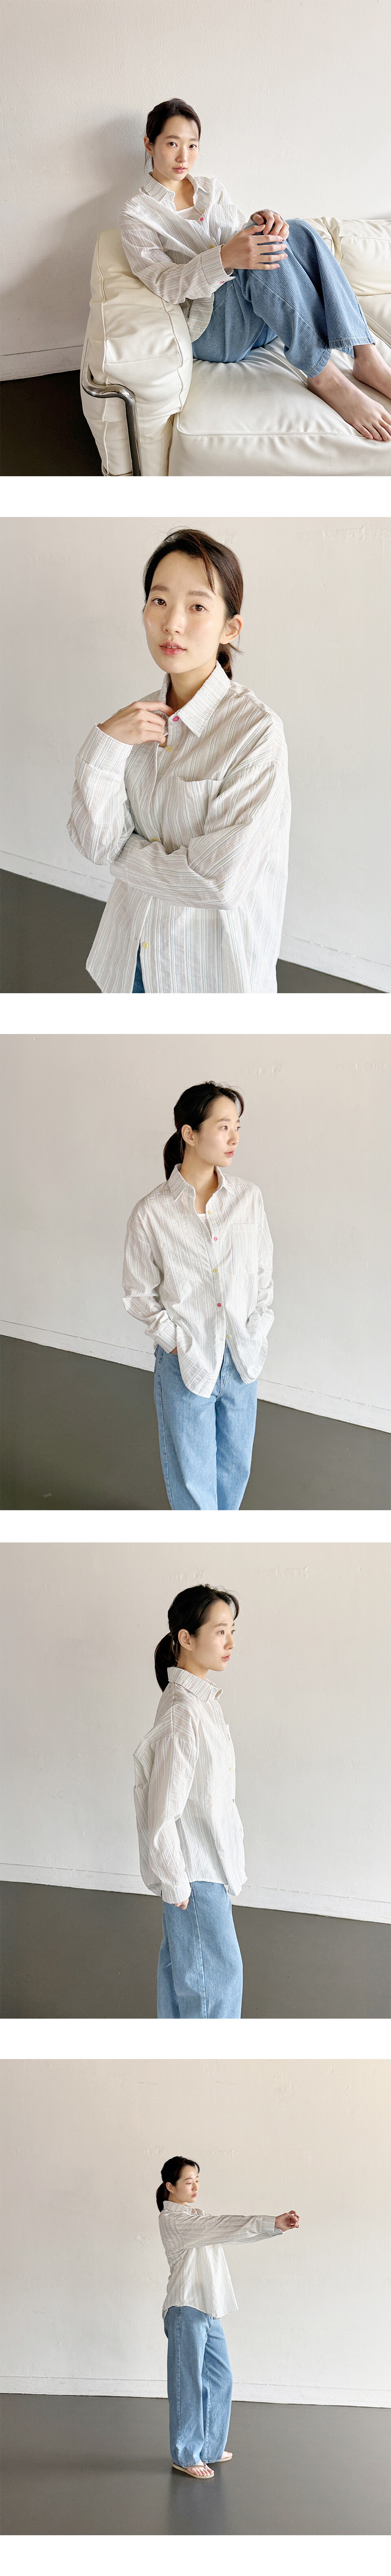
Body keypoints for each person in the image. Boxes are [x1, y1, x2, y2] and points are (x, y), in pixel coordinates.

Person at [67, 527, 290, 996]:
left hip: (209, 977)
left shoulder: (255, 734)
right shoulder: (133, 725)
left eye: (198, 606)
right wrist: (105, 742)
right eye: (160, 600)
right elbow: (94, 842)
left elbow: (216, 882)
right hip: (126, 960)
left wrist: (124, 853)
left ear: (231, 628)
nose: (172, 623)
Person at [119, 97, 391, 447]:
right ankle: (325, 377)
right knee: (251, 253)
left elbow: (240, 233)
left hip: (260, 321)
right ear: (149, 145)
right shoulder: (137, 214)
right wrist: (224, 258)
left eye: (193, 145)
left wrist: (267, 221)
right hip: (213, 333)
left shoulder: (211, 189)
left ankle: (367, 357)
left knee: (297, 229)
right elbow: (164, 284)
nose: (184, 156)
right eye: (172, 144)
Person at [123, 1080, 273, 1511]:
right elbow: (138, 1293)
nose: (234, 1137)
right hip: (187, 1360)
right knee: (193, 1480)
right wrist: (176, 1343)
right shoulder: (152, 1212)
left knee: (235, 1470)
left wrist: (257, 1329)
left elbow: (263, 1275)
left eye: (237, 1126)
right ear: (190, 1133)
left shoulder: (249, 1199)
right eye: (224, 1126)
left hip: (242, 1357)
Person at [134, 1583, 245, 2017]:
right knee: (215, 1981)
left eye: (232, 1631)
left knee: (184, 1973)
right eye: (220, 1631)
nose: (230, 1642)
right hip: (195, 1873)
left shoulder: (201, 1703)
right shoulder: (184, 1710)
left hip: (204, 1865)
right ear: (186, 1637)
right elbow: (162, 1807)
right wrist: (177, 1881)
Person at [156, 2156, 299, 2477]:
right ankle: (186, 2455)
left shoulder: (197, 2216)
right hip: (185, 2309)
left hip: (209, 2309)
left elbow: (230, 2233)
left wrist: (275, 2227)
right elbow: (222, 2226)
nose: (195, 2186)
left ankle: (209, 2448)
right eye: (189, 2181)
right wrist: (270, 2221)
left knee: (221, 2378)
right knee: (188, 2384)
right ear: (171, 2186)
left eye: (197, 2180)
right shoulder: (173, 2220)